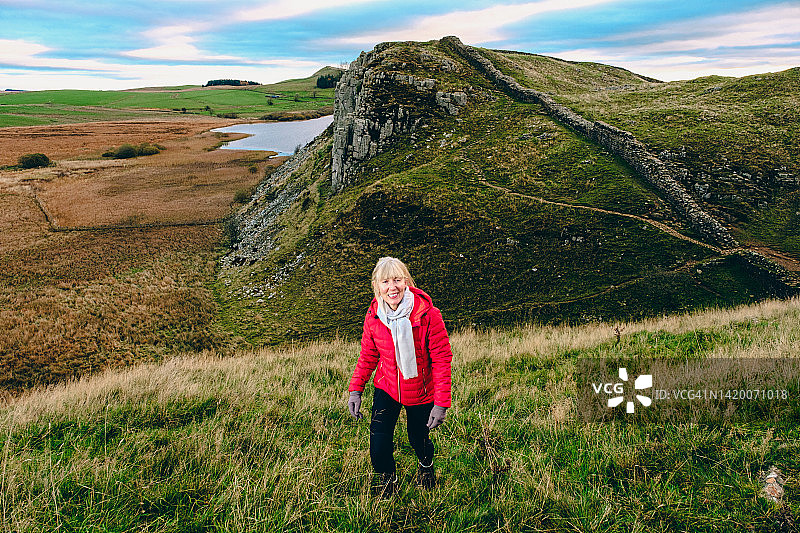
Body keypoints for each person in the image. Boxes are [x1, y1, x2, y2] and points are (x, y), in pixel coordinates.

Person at [347, 256, 453, 497]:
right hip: (387, 387)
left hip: (420, 390)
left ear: (406, 281)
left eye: (397, 280)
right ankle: (388, 482)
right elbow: (368, 355)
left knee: (418, 439)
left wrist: (441, 404)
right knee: (378, 442)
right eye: (385, 282)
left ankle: (426, 466)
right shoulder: (374, 315)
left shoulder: (428, 314)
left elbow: (441, 360)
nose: (392, 287)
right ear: (377, 285)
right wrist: (356, 390)